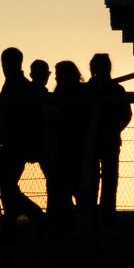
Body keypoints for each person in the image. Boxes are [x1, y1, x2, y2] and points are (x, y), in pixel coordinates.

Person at [0, 46, 45, 226]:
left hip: (14, 144)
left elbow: (6, 121)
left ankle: (34, 215)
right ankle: (19, 220)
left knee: (7, 186)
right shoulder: (22, 84)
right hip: (17, 143)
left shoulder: (13, 85)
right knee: (8, 186)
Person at [85, 52, 131, 224]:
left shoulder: (87, 90)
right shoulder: (117, 89)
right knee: (109, 180)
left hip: (92, 141)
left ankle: (92, 216)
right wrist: (114, 130)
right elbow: (126, 115)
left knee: (91, 179)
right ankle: (106, 217)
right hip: (109, 140)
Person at [50, 59, 91, 223]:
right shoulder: (84, 91)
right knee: (79, 185)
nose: (56, 78)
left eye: (58, 75)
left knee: (65, 184)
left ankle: (70, 220)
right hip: (80, 145)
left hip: (66, 146)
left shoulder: (60, 94)